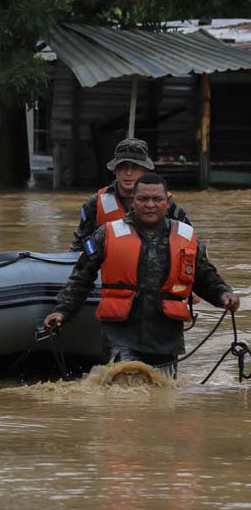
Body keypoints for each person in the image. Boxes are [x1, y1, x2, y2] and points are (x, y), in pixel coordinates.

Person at [44, 173, 240, 376]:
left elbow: (205, 276)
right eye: (143, 199)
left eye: (157, 199)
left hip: (165, 336)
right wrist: (63, 311)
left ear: (168, 201)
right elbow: (81, 278)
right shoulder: (107, 234)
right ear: (133, 201)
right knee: (126, 386)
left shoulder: (186, 237)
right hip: (120, 333)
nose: (150, 205)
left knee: (163, 394)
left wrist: (223, 295)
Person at [70, 138, 190, 251]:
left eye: (135, 167)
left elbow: (188, 241)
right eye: (123, 167)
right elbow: (79, 245)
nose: (128, 173)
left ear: (145, 170)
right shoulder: (95, 203)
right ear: (114, 170)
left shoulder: (163, 204)